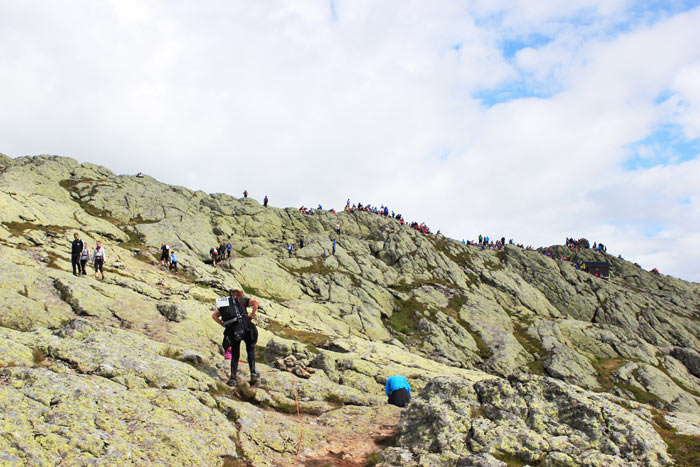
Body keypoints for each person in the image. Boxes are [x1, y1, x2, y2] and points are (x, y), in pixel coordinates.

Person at [212, 290, 259, 385]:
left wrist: (223, 324)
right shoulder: (240, 300)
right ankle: (253, 373)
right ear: (238, 295)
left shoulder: (224, 305)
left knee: (235, 354)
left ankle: (233, 379)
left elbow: (214, 316)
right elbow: (255, 302)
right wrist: (252, 314)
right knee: (250, 349)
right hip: (246, 326)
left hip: (232, 330)